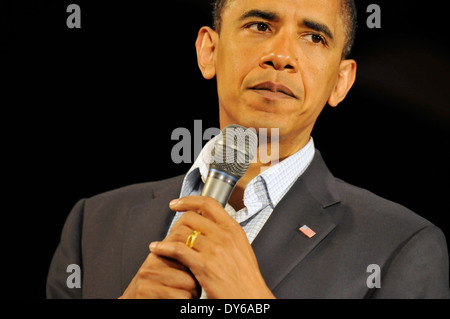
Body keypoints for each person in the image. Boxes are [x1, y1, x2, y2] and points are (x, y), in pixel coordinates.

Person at [47, 0, 450, 298]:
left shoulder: (402, 246)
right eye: (260, 25)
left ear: (341, 82)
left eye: (314, 37)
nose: (281, 56)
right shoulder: (94, 224)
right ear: (209, 51)